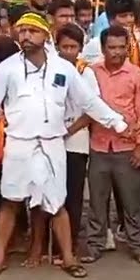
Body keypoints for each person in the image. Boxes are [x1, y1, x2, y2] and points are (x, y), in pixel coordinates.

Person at [0, 12, 128, 279]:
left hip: (52, 143)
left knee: (57, 204)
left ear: (45, 35)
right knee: (10, 202)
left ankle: (68, 258)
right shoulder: (6, 69)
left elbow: (89, 101)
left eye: (32, 31)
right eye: (21, 31)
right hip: (19, 144)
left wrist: (116, 122)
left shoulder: (63, 68)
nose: (25, 36)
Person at [83, 25, 140, 265]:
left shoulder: (138, 76)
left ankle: (138, 246)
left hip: (127, 147)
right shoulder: (91, 73)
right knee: (97, 201)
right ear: (102, 48)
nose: (117, 52)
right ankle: (94, 245)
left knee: (132, 201)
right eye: (112, 47)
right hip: (99, 145)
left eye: (122, 47)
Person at [56, 23, 93, 262]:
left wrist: (68, 130)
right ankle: (52, 244)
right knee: (53, 195)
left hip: (76, 142)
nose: (69, 51)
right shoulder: (50, 69)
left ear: (80, 48)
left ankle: (71, 246)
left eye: (73, 47)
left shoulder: (85, 72)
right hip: (52, 140)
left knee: (74, 196)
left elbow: (91, 110)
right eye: (64, 46)